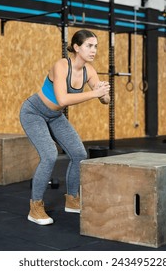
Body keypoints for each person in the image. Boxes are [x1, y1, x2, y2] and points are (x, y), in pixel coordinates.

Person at [20, 29, 110, 226]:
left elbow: (104, 99)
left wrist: (104, 94)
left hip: (55, 116)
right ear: (77, 47)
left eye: (95, 46)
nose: (94, 50)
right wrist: (95, 94)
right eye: (89, 46)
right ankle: (35, 207)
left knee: (79, 153)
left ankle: (72, 199)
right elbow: (63, 98)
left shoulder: (90, 71)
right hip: (33, 112)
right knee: (49, 155)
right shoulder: (62, 65)